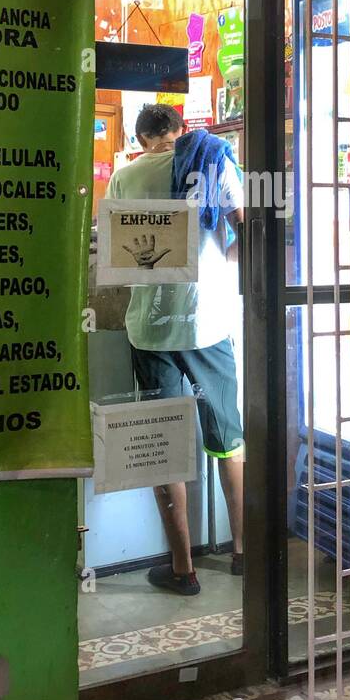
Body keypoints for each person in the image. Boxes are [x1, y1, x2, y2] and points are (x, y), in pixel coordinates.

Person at [105, 103, 245, 596]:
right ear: (179, 131)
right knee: (227, 438)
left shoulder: (124, 178)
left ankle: (183, 569)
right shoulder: (212, 159)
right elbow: (248, 229)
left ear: (141, 138)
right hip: (208, 326)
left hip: (151, 329)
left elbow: (118, 255)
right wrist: (220, 265)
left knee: (163, 445)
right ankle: (241, 552)